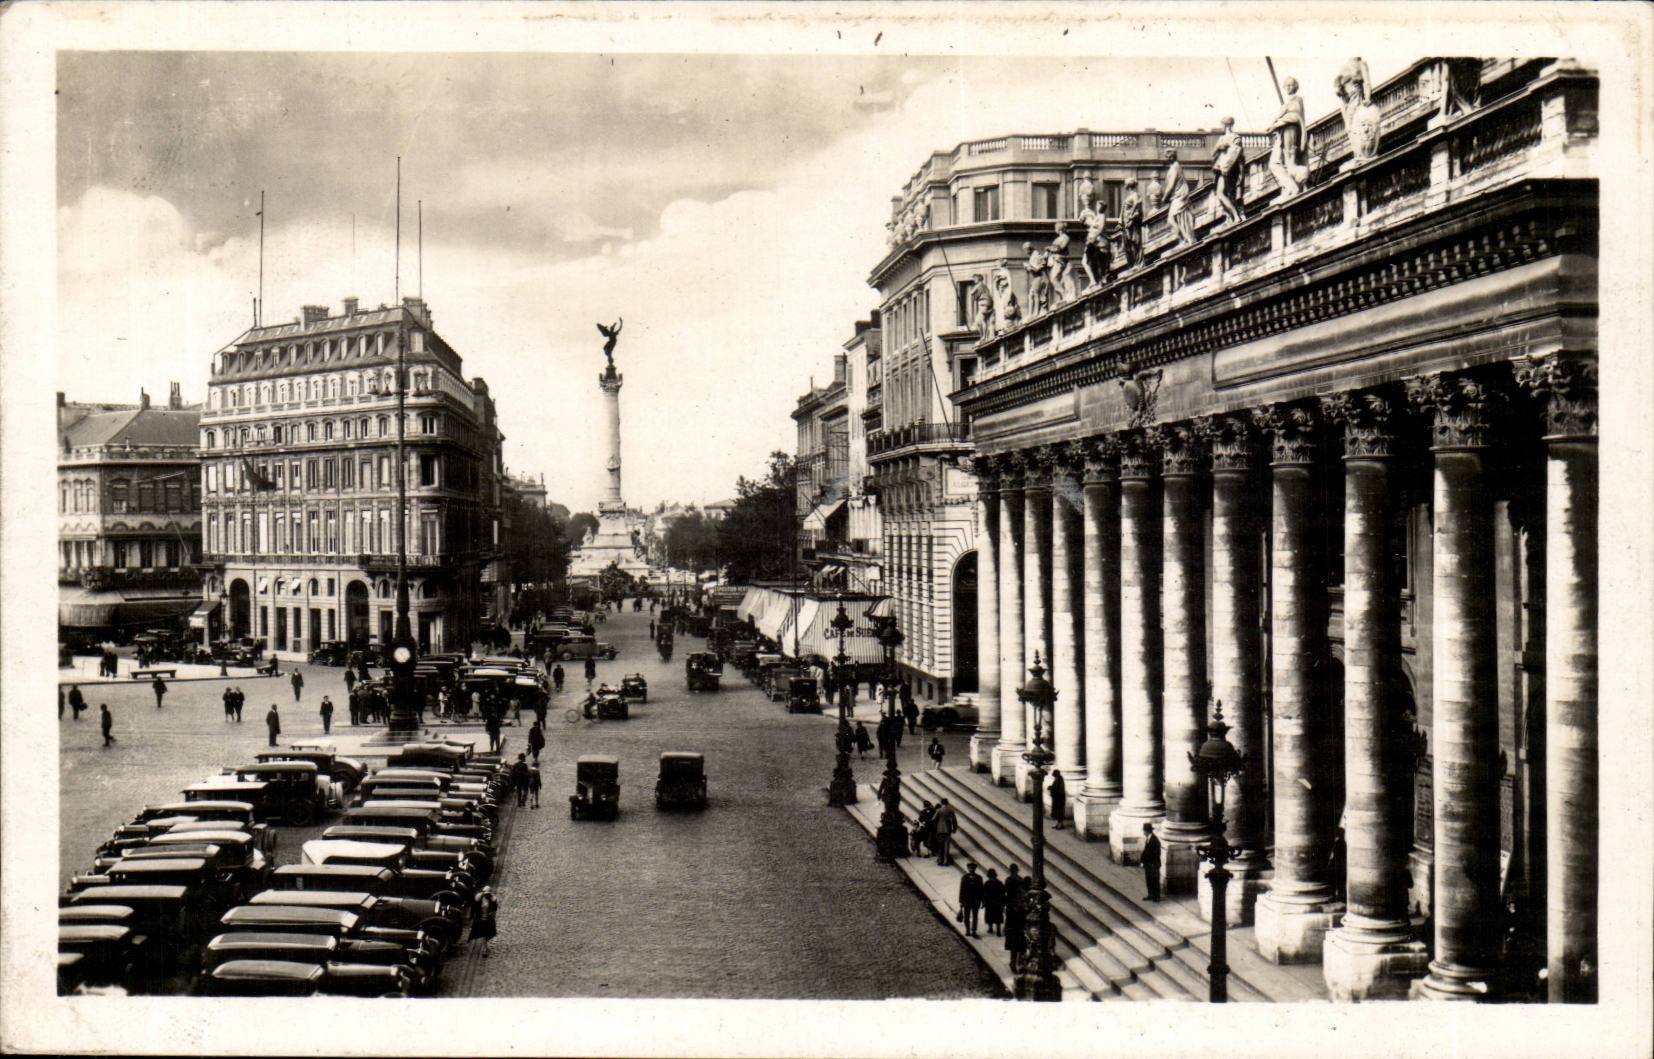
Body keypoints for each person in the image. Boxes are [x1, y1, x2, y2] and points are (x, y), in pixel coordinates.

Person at [1211, 115, 1246, 226]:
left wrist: (1227, 166)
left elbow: (1236, 152)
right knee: (1221, 194)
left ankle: (1235, 217)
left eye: (1222, 124)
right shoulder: (1221, 139)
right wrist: (1218, 148)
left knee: (1229, 193)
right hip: (1221, 170)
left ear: (1227, 125)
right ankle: (1234, 216)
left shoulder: (1235, 137)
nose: (1221, 126)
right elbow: (1212, 155)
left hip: (1231, 170)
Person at [1164, 148, 1195, 245]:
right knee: (1178, 218)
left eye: (1167, 155)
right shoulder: (1175, 167)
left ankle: (1186, 239)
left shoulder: (1175, 168)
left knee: (1173, 219)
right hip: (1178, 196)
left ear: (1172, 156)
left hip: (1179, 196)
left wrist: (1164, 197)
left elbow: (1170, 185)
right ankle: (1185, 239)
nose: (1166, 158)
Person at [1003, 864, 1028, 969]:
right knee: (1015, 947)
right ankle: (1014, 963)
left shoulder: (1021, 907)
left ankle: (1018, 963)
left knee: (1020, 947)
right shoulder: (1012, 907)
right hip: (1014, 930)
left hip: (1019, 929)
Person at [469, 886, 499, 958]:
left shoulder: (492, 900)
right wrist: (472, 916)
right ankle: (484, 948)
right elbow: (474, 908)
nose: (487, 895)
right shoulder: (478, 899)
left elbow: (494, 909)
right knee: (483, 933)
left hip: (488, 919)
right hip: (480, 919)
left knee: (489, 934)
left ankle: (485, 946)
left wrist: (492, 914)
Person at [958, 862, 985, 938]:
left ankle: (974, 931)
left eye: (973, 868)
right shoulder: (964, 878)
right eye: (970, 868)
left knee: (975, 916)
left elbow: (981, 891)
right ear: (968, 869)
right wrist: (961, 901)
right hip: (967, 900)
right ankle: (967, 930)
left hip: (976, 900)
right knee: (966, 916)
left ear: (975, 869)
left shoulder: (979, 878)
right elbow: (962, 890)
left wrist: (983, 901)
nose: (971, 870)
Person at [930, 797, 958, 866]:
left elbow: (933, 819)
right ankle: (945, 860)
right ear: (947, 803)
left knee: (940, 845)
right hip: (947, 829)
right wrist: (954, 828)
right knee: (946, 846)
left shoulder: (939, 810)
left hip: (940, 829)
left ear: (941, 803)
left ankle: (940, 860)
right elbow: (954, 820)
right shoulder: (951, 810)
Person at [1141, 822, 1163, 901]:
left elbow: (1156, 853)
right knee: (1149, 879)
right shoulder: (1148, 839)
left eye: (1144, 831)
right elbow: (1145, 851)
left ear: (1147, 831)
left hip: (1154, 864)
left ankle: (1156, 896)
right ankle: (1150, 894)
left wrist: (1152, 863)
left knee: (1155, 880)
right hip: (1148, 864)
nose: (1143, 832)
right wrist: (1142, 861)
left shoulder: (1154, 840)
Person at [982, 867, 1006, 936]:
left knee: (998, 917)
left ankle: (998, 930)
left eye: (993, 876)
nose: (991, 878)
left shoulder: (999, 883)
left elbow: (1002, 893)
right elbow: (984, 893)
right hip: (989, 903)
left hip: (997, 903)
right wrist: (984, 902)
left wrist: (1002, 902)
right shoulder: (987, 883)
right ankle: (990, 928)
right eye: (990, 877)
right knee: (989, 917)